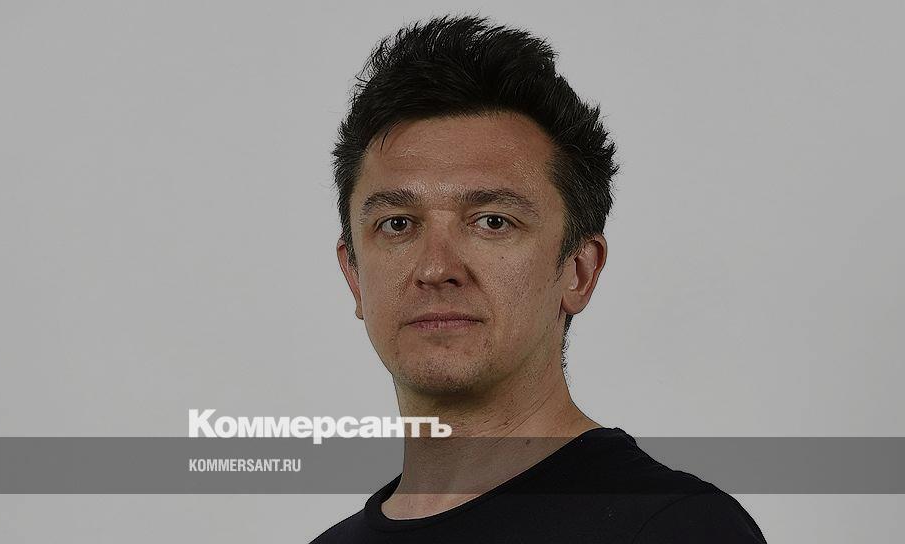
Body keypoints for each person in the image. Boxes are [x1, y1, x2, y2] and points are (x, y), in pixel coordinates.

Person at [312, 14, 766, 543]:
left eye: (492, 222)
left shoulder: (676, 528)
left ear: (579, 271)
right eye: (397, 224)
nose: (436, 269)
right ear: (353, 274)